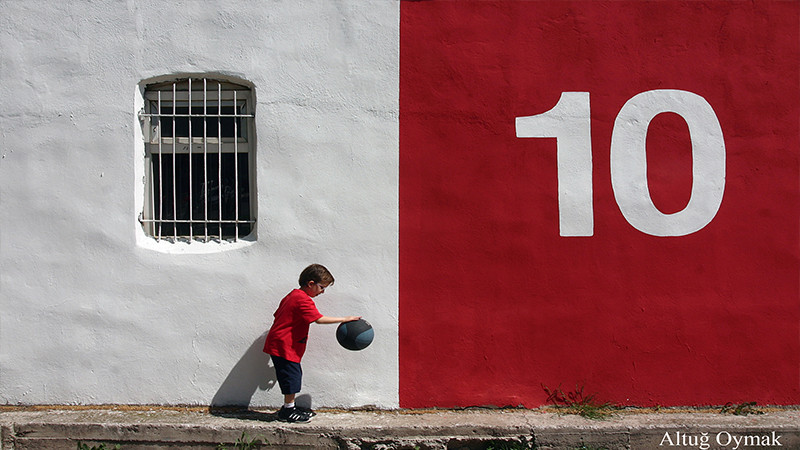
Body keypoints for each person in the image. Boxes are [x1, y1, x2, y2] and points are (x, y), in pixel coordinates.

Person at [263, 264, 360, 423]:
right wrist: (344, 319)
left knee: (291, 375)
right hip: (284, 344)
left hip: (282, 343)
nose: (323, 291)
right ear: (310, 283)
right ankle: (288, 411)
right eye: (321, 287)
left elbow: (278, 315)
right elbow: (319, 319)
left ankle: (290, 407)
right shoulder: (302, 299)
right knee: (292, 378)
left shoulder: (292, 295)